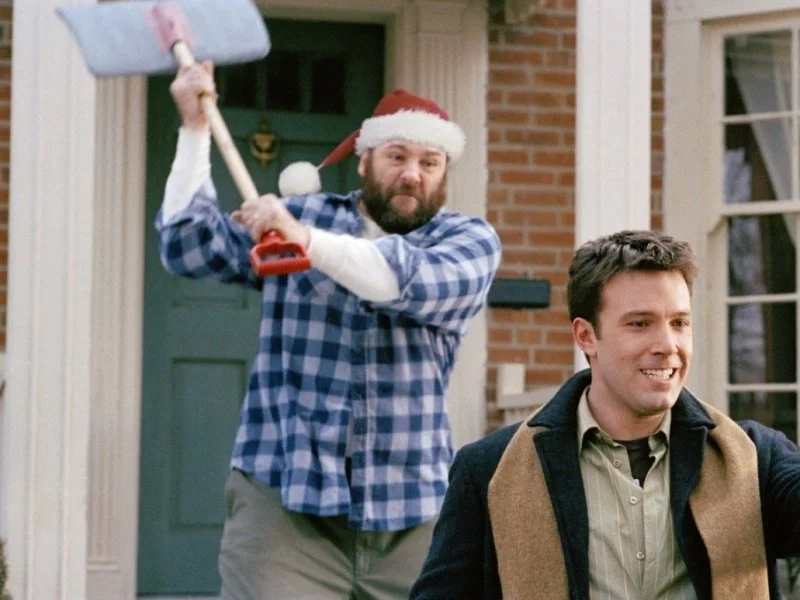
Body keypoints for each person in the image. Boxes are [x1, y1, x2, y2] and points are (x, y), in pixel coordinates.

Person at [156, 61, 502, 600]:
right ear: (364, 160)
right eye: (396, 156)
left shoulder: (468, 241)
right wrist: (195, 126)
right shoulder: (300, 216)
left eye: (429, 161)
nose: (412, 173)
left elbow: (404, 279)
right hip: (284, 508)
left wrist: (305, 242)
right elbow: (186, 244)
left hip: (414, 516)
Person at [410, 230, 800, 600]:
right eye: (640, 324)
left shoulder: (752, 459)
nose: (668, 345)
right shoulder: (488, 470)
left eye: (679, 323)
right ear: (586, 336)